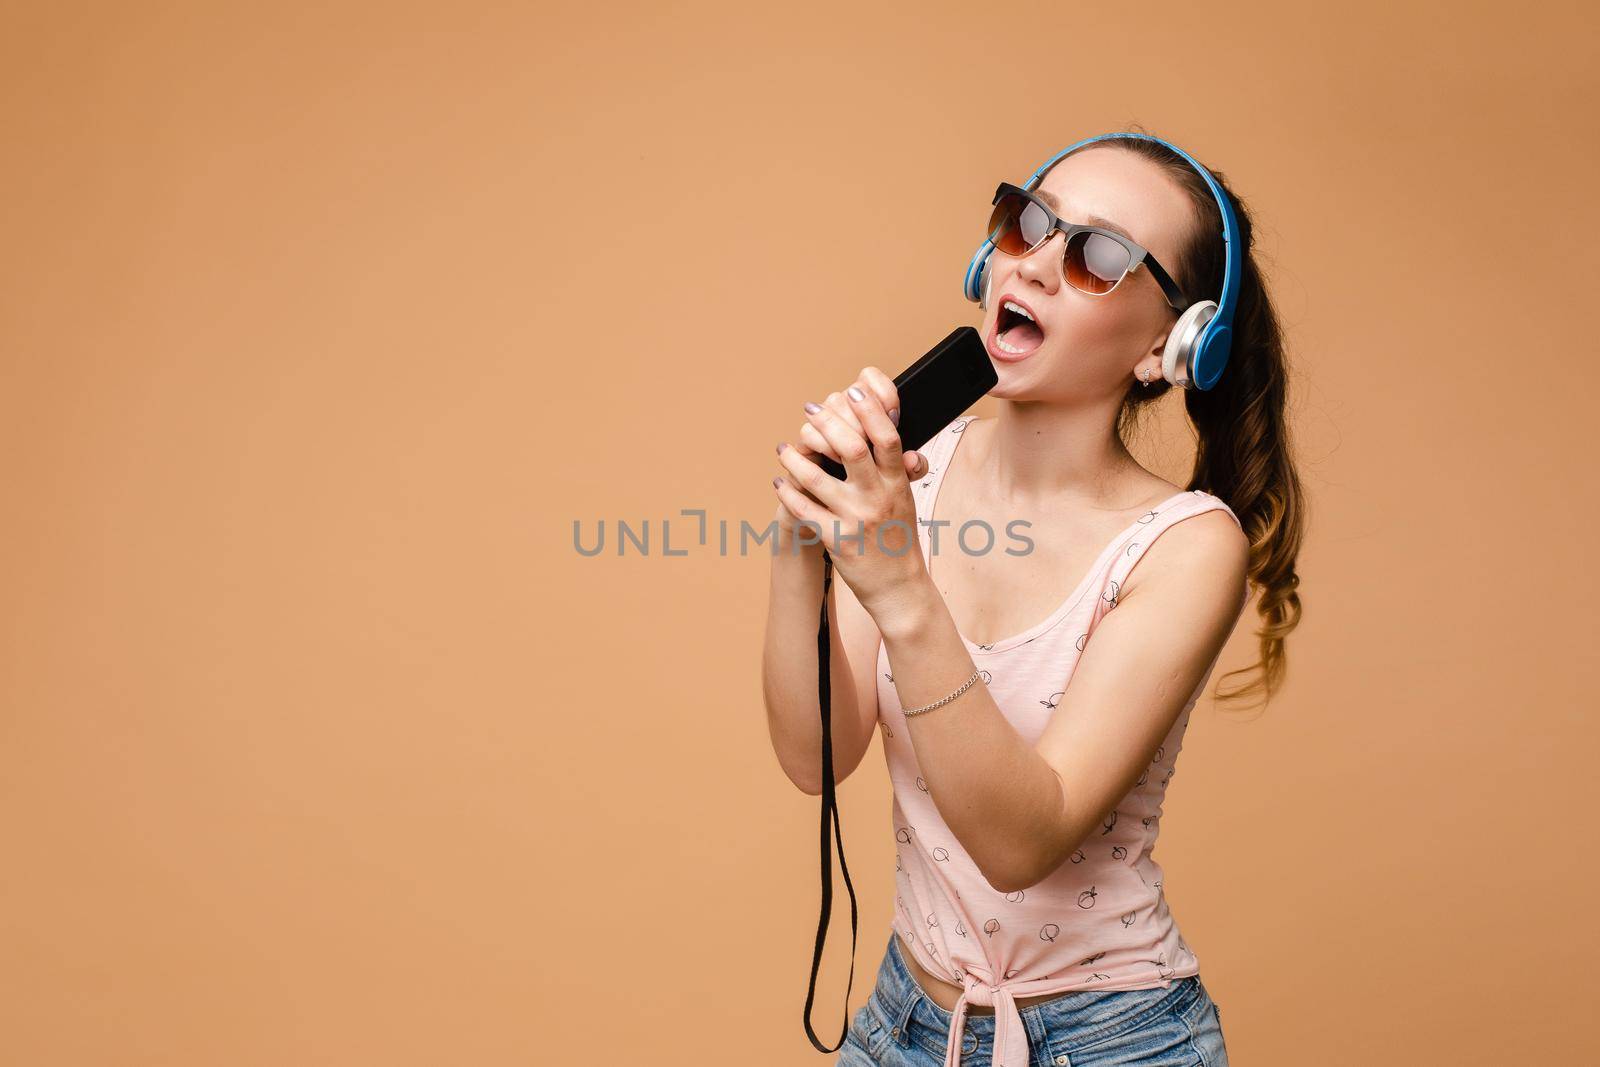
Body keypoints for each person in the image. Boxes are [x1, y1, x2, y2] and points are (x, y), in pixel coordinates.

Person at [762, 128, 1305, 1067]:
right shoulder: (913, 487)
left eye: (1098, 256)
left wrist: (895, 577)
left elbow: (1023, 842)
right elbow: (816, 757)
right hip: (904, 1024)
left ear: (1167, 347)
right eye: (1030, 223)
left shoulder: (1182, 548)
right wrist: (805, 539)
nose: (1042, 263)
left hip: (1109, 1042)